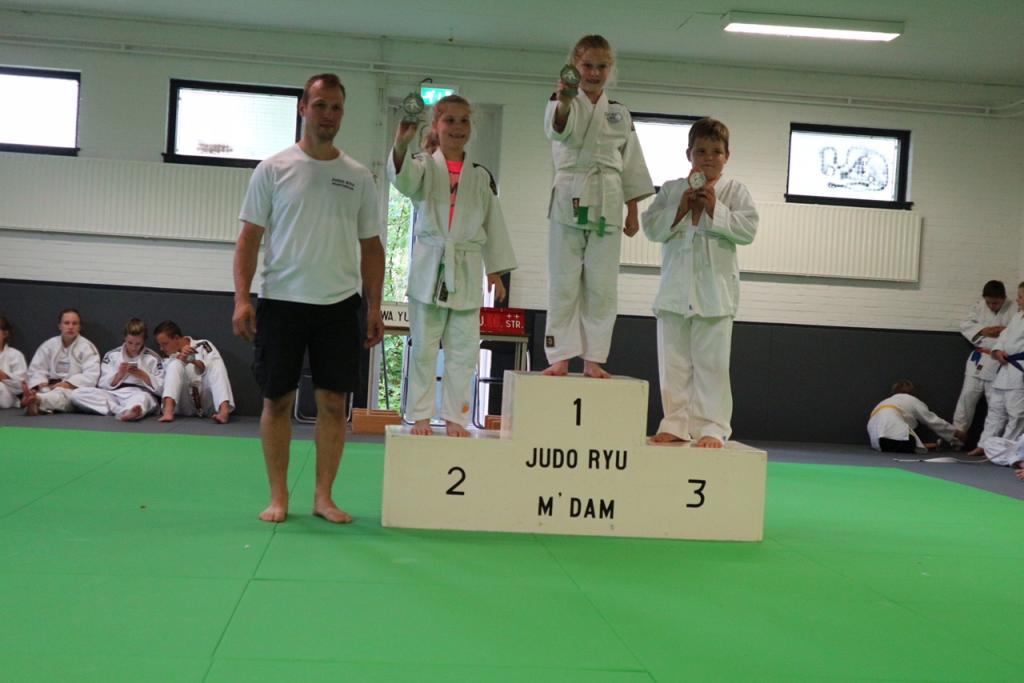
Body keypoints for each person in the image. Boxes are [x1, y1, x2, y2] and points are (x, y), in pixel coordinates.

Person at [233, 72, 385, 524]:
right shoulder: (273, 169)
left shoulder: (358, 176)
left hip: (339, 306)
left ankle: (323, 497)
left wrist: (374, 306)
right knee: (277, 400)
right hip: (281, 301)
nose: (328, 115)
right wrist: (242, 299)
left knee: (334, 404)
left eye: (336, 107)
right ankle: (278, 497)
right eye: (320, 105)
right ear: (303, 108)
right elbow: (248, 239)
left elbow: (372, 247)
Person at [389, 95, 517, 437]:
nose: (457, 128)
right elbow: (402, 181)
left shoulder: (480, 176)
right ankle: (419, 416)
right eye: (450, 121)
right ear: (436, 125)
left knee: (463, 350)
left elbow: (492, 223)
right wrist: (401, 144)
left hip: (466, 267)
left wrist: (495, 270)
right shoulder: (423, 166)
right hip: (430, 266)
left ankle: (455, 417)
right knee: (424, 348)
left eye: (464, 121)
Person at [542, 34, 653, 379]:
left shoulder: (619, 112)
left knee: (602, 285)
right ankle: (560, 355)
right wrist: (564, 101)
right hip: (569, 196)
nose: (594, 72)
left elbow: (631, 164)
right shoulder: (561, 100)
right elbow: (557, 130)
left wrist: (633, 210)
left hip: (608, 198)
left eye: (601, 66)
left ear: (610, 68)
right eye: (587, 65)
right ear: (574, 66)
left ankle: (594, 358)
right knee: (563, 280)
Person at [642, 118, 758, 448]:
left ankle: (712, 427)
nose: (708, 158)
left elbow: (748, 231)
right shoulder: (671, 189)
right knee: (674, 365)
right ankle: (675, 423)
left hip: (715, 294)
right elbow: (651, 228)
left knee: (712, 366)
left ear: (727, 156)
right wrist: (680, 209)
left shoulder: (735, 191)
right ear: (689, 154)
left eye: (716, 151)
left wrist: (714, 207)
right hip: (674, 292)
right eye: (701, 151)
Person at [71, 318, 165, 421]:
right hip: (114, 395)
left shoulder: (153, 358)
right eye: (130, 343)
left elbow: (162, 388)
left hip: (139, 393)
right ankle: (122, 410)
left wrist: (144, 376)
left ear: (144, 341)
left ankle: (130, 409)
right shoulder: (112, 355)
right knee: (77, 394)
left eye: (138, 344)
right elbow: (102, 384)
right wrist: (119, 375)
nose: (133, 347)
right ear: (124, 338)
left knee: (143, 399)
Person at [969, 281, 1024, 457]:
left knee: (1016, 414)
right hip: (1005, 368)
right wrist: (997, 350)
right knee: (995, 409)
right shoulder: (1018, 317)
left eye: (1021, 297)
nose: (1018, 300)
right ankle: (984, 445)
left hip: (1019, 370)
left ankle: (1007, 451)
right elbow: (1003, 337)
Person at [952, 280, 1014, 434]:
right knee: (966, 398)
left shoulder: (1014, 308)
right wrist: (983, 330)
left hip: (1000, 362)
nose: (991, 306)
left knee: (995, 403)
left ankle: (993, 440)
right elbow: (965, 325)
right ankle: (957, 436)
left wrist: (1004, 331)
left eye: (995, 303)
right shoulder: (978, 307)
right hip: (979, 358)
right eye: (989, 302)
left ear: (1003, 298)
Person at [21, 308, 100, 416]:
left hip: (72, 390)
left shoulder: (87, 347)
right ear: (59, 326)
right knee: (46, 392)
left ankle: (37, 400)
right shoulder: (48, 345)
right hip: (49, 387)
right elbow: (37, 370)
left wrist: (67, 384)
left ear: (79, 327)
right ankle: (36, 400)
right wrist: (40, 385)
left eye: (74, 323)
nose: (70, 327)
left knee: (64, 394)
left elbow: (91, 376)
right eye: (66, 323)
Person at [153, 320, 234, 424]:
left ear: (176, 338)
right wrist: (180, 359)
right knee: (175, 364)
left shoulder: (202, 345)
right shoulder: (166, 357)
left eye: (164, 344)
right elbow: (162, 388)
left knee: (215, 364)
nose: (161, 348)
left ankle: (223, 412)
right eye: (160, 345)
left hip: (207, 402)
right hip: (183, 405)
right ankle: (168, 412)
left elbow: (211, 370)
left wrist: (192, 360)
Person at [867, 380, 965, 453]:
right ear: (912, 392)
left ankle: (925, 445)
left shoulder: (884, 402)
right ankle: (929, 445)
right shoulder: (911, 399)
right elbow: (932, 420)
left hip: (876, 440)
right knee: (910, 443)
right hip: (895, 435)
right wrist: (955, 432)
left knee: (898, 443)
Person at [0, 316, 27, 409]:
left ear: (5, 334)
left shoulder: (15, 355)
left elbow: (22, 385)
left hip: (7, 395)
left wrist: (4, 376)